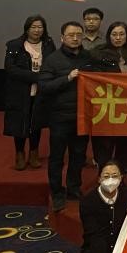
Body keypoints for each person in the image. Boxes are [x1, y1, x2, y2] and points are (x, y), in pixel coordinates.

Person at [40, 21, 96, 211]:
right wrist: (67, 78)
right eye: (71, 35)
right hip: (60, 116)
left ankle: (74, 189)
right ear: (62, 37)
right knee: (57, 157)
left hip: (82, 116)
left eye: (78, 35)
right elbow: (44, 86)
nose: (75, 38)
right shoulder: (52, 59)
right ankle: (57, 192)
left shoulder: (88, 57)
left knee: (78, 156)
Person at [4, 14, 55, 171]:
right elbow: (10, 68)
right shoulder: (15, 45)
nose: (37, 30)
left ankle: (34, 153)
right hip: (20, 92)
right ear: (27, 29)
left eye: (40, 27)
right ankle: (19, 154)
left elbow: (53, 64)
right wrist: (35, 77)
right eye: (33, 27)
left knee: (36, 124)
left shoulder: (48, 45)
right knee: (20, 123)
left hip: (41, 92)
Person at [79, 159, 127, 253]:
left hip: (122, 246)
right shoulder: (88, 201)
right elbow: (93, 234)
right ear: (99, 179)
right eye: (106, 176)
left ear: (121, 178)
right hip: (98, 245)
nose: (110, 180)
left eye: (115, 176)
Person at [88, 21, 127, 168]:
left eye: (121, 34)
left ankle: (123, 170)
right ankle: (104, 171)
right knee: (105, 141)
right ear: (109, 36)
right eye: (114, 34)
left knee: (125, 139)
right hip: (106, 104)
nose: (118, 38)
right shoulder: (98, 53)